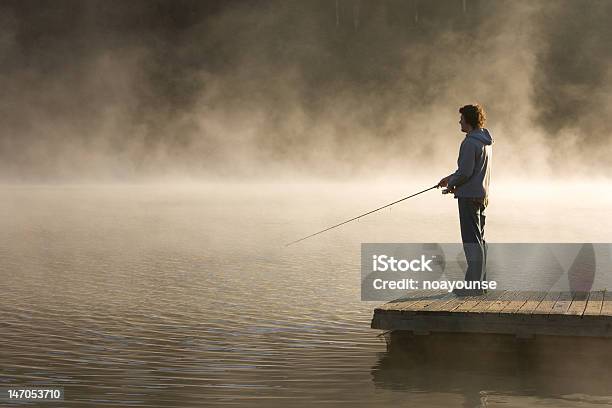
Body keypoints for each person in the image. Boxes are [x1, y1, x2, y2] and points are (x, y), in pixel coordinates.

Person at [438, 104, 493, 296]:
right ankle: (480, 284)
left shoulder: (469, 143)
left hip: (469, 197)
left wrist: (454, 182)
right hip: (481, 196)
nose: (459, 121)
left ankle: (473, 287)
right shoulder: (484, 141)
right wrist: (450, 180)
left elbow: (466, 172)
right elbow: (469, 171)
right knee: (479, 241)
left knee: (471, 242)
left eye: (461, 118)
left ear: (468, 120)